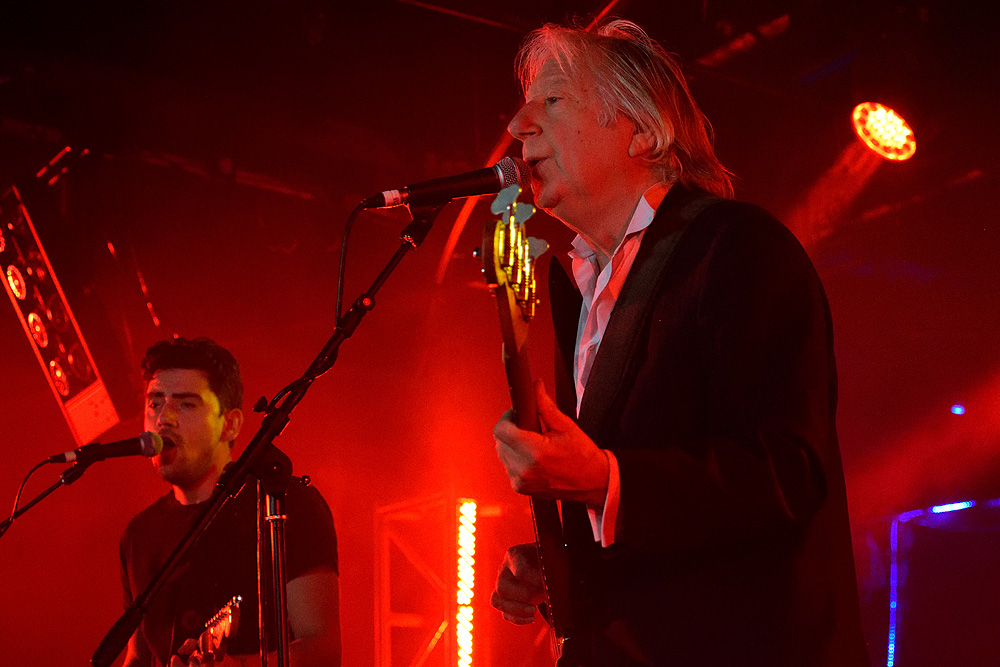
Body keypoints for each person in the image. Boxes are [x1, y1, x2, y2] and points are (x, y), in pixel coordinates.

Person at [490, 20, 870, 666]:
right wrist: (565, 567)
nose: (518, 124)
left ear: (641, 130)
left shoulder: (739, 247)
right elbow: (649, 523)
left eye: (551, 101)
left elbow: (786, 471)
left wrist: (606, 481)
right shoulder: (578, 288)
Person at [119, 337, 341, 666]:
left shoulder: (284, 503)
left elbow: (323, 651)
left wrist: (239, 666)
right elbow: (138, 657)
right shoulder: (139, 534)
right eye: (154, 403)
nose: (164, 418)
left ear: (230, 424)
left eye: (186, 404)